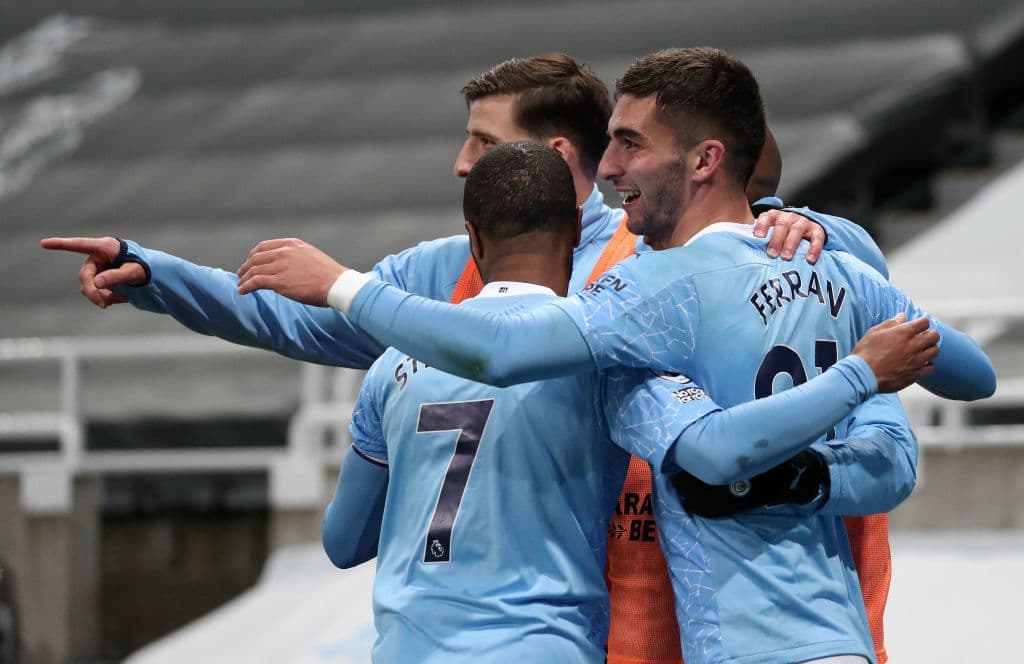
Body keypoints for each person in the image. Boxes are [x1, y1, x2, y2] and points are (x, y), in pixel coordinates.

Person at [42, 55, 893, 664]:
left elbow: (346, 536)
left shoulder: (670, 252)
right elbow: (293, 316)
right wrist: (155, 274)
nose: (460, 164)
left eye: (481, 145)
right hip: (593, 627)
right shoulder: (445, 269)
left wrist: (809, 221)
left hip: (719, 603)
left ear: (552, 158)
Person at [240, 48, 995, 663]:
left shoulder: (651, 292)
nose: (607, 169)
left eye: (630, 144)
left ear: (704, 160)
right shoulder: (836, 269)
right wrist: (843, 407)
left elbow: (505, 352)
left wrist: (341, 285)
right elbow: (968, 378)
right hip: (839, 636)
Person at [328, 141, 932, 663]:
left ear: (472, 239)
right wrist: (854, 370)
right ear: (577, 233)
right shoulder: (607, 365)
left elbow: (344, 540)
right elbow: (716, 449)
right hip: (556, 644)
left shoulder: (389, 369)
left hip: (403, 647)